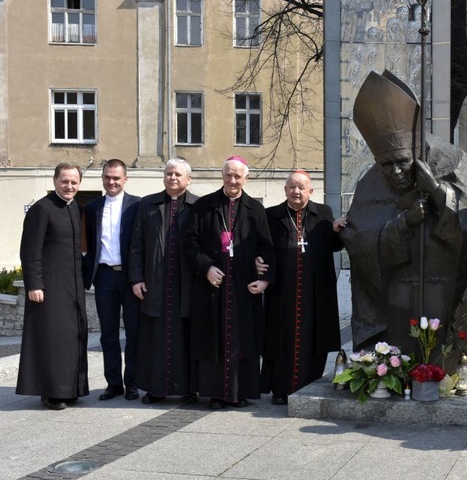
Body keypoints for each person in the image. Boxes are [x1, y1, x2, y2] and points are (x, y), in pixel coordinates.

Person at [339, 70, 467, 371]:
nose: (395, 171)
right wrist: (403, 223)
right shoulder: (370, 184)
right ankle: (389, 368)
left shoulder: (450, 161)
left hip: (446, 288)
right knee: (402, 353)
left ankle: (451, 371)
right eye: (387, 165)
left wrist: (438, 193)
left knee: (441, 356)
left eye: (402, 162)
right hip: (397, 295)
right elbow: (362, 242)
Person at [183, 156, 275, 409]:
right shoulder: (204, 206)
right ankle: (215, 394)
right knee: (213, 338)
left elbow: (267, 246)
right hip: (212, 286)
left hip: (243, 287)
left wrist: (264, 276)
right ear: (222, 177)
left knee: (242, 339)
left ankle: (240, 392)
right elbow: (189, 243)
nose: (233, 180)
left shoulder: (255, 209)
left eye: (238, 176)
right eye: (228, 175)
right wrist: (206, 267)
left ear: (246, 178)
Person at [257, 170, 345, 405]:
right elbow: (261, 246)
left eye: (301, 188)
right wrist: (257, 260)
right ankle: (279, 389)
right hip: (282, 291)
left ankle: (309, 385)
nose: (296, 191)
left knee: (313, 339)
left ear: (310, 191)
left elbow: (333, 246)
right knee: (280, 340)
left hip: (316, 292)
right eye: (292, 187)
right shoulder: (271, 215)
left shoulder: (323, 213)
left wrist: (337, 231)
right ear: (285, 190)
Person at [16, 163, 89, 410]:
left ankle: (70, 390)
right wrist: (34, 284)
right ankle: (51, 393)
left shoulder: (76, 208)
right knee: (51, 340)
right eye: (65, 181)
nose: (69, 186)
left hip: (72, 287)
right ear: (55, 180)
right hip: (48, 287)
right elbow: (29, 251)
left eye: (74, 182)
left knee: (71, 339)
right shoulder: (41, 209)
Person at [129, 159, 199, 404]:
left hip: (187, 284)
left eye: (178, 174)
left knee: (186, 337)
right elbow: (136, 244)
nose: (172, 178)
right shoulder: (148, 204)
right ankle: (154, 389)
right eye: (169, 173)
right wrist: (136, 278)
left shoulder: (198, 205)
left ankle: (188, 389)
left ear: (188, 179)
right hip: (154, 281)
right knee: (154, 340)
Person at [83, 159, 141, 401]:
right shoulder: (92, 207)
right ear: (102, 178)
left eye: (116, 177)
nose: (112, 181)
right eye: (107, 177)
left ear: (125, 179)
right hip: (104, 277)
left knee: (134, 333)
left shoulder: (137, 205)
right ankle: (113, 384)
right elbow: (85, 245)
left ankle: (133, 384)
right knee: (108, 334)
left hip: (130, 277)